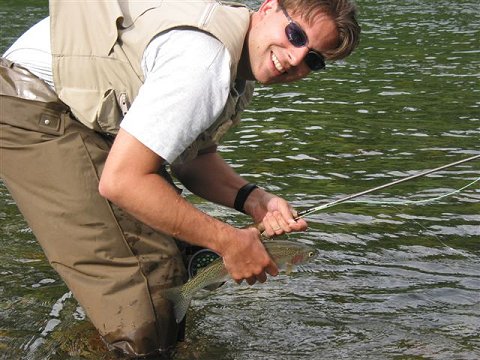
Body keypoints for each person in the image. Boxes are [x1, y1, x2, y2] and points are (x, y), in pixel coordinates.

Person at [0, 0, 360, 357]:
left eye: (313, 59)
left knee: (174, 250)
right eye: (295, 35)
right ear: (268, 7)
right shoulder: (205, 59)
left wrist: (253, 199)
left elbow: (193, 159)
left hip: (78, 109)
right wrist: (229, 242)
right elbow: (122, 181)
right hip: (30, 102)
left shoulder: (238, 69)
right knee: (148, 281)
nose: (296, 58)